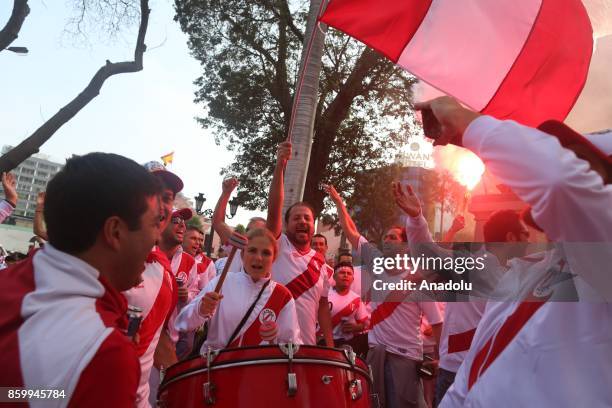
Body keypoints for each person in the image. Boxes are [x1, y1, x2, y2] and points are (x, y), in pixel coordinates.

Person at [415, 96, 612, 407]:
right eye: (562, 155)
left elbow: (559, 184)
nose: (560, 161)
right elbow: (473, 373)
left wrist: (466, 123)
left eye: (582, 164)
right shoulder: (523, 274)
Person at [0, 153, 163, 406]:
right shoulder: (105, 355)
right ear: (115, 232)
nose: (157, 239)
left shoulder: (14, 281)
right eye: (155, 223)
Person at [324, 183, 443, 408]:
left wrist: (441, 357)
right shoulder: (377, 263)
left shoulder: (417, 279)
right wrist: (339, 202)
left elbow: (437, 323)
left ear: (406, 247)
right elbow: (351, 232)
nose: (386, 241)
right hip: (376, 354)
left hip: (405, 357)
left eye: (393, 238)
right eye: (385, 238)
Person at [176, 228, 301, 349]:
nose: (258, 258)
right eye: (252, 250)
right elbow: (183, 323)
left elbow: (292, 347)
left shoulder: (283, 296)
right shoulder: (222, 282)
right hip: (217, 367)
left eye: (266, 253)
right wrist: (201, 309)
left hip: (259, 368)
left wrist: (274, 339)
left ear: (274, 258)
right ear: (242, 255)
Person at [123, 160, 183, 408]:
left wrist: (180, 383)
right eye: (152, 193)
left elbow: (159, 339)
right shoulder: (92, 255)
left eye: (167, 197)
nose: (161, 205)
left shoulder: (164, 270)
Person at [266, 142, 334, 347]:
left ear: (313, 226)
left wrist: (330, 346)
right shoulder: (277, 244)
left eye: (307, 218)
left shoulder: (320, 263)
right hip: (270, 344)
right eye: (296, 218)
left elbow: (322, 307)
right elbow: (275, 207)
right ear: (286, 224)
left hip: (306, 346)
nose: (302, 222)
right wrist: (280, 167)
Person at [325, 262, 369, 355]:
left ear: (353, 279)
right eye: (342, 273)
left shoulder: (356, 299)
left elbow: (364, 324)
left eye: (349, 273)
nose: (345, 275)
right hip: (324, 341)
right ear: (334, 277)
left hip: (345, 344)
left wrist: (357, 327)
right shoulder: (323, 296)